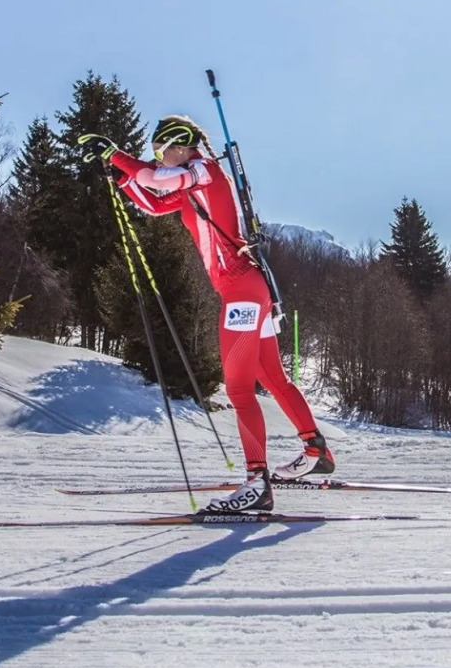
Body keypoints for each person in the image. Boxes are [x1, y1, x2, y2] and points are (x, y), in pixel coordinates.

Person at [99, 115, 334, 513]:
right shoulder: (191, 188)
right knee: (271, 378)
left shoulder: (203, 170)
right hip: (249, 288)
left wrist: (116, 155)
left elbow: (155, 180)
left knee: (240, 389)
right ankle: (316, 451)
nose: (157, 159)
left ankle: (257, 482)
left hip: (241, 290)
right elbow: (154, 203)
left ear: (180, 145)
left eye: (160, 151)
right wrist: (120, 177)